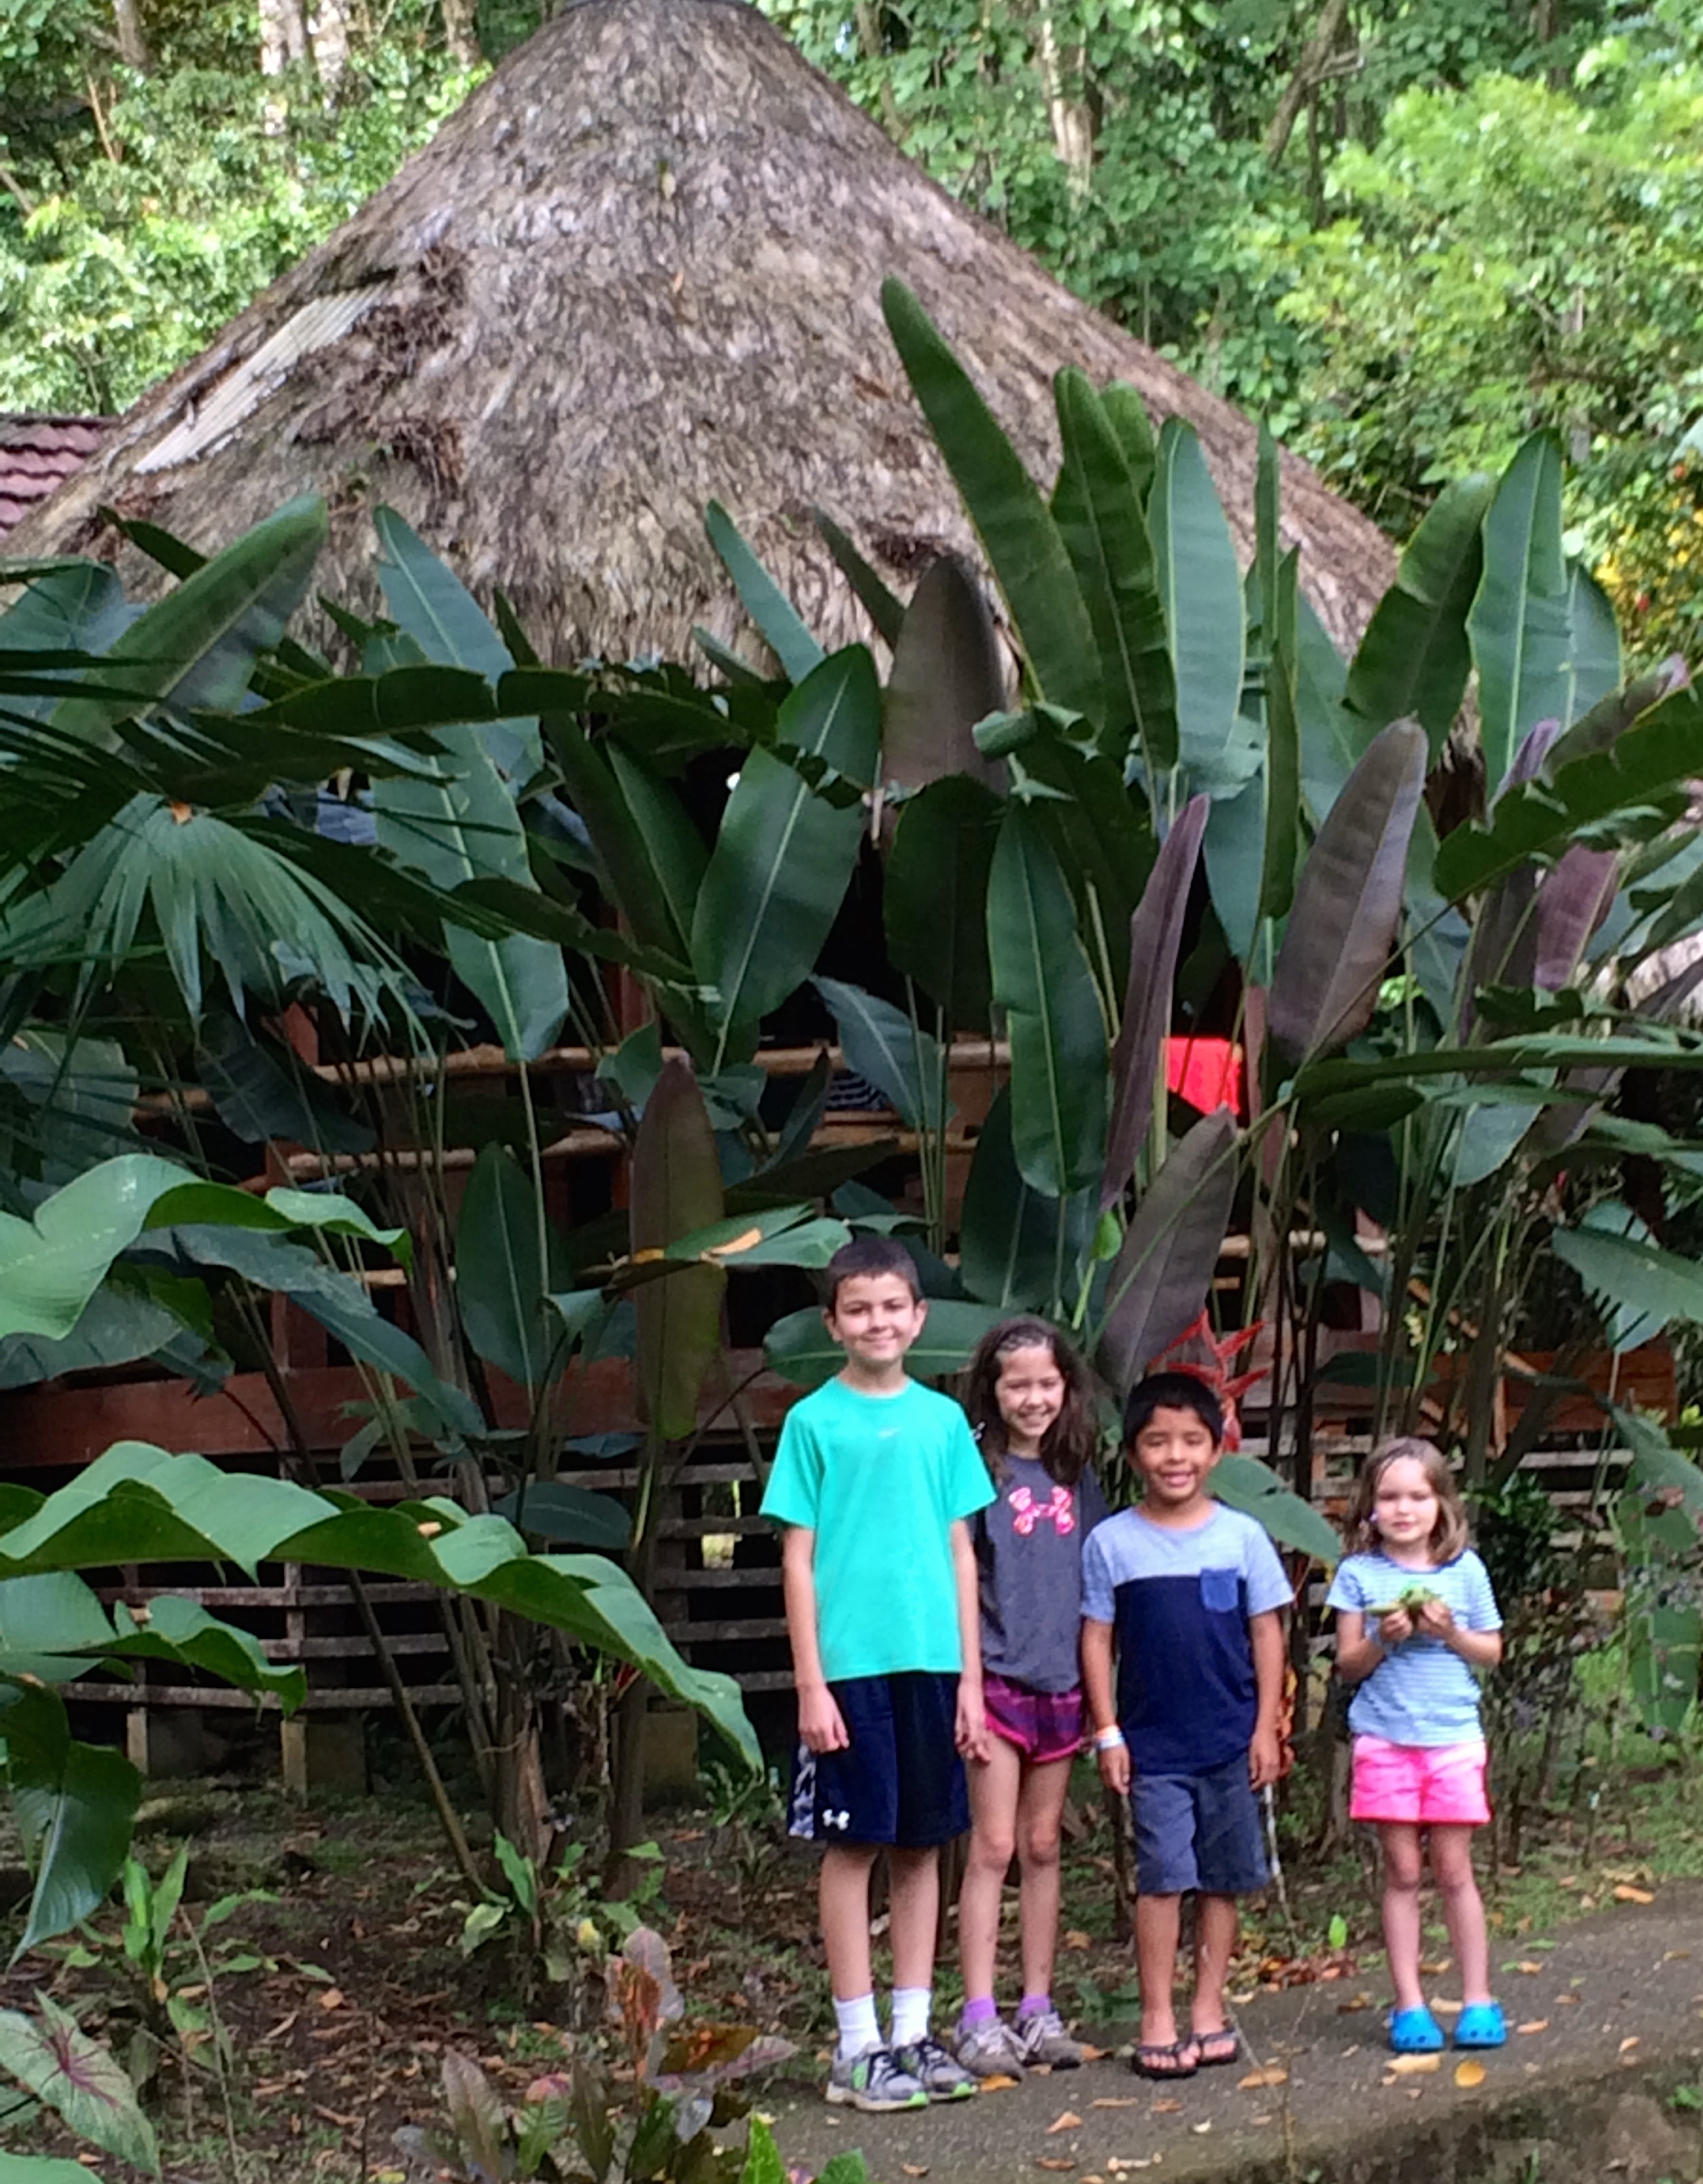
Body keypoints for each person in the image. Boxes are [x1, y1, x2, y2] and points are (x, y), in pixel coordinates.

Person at [760, 1237, 994, 2113]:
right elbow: (796, 1558)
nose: (877, 1322)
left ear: (918, 1317)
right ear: (832, 1324)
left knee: (922, 1841)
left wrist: (971, 1679)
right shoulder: (811, 1422)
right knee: (853, 1842)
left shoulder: (940, 1423)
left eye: (892, 1307)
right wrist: (809, 1682)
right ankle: (854, 2045)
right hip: (850, 1668)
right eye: (857, 1309)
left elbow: (960, 1551)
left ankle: (912, 2031)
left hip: (932, 1661)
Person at [1081, 1370, 1290, 2080]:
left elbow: (1267, 1633)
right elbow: (1095, 1640)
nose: (1175, 1456)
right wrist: (1107, 1730)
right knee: (1163, 1877)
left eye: (1191, 1441)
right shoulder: (1111, 1542)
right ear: (1134, 1452)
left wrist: (1266, 1728)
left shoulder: (1243, 1537)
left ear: (1216, 1448)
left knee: (1223, 1879)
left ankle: (1207, 2006)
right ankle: (1156, 2016)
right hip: (1151, 1747)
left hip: (1229, 1741)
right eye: (1157, 1442)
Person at [953, 1318, 1108, 2079]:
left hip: (1064, 1685)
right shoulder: (974, 1472)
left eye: (1047, 1383)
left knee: (1044, 1845)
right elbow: (959, 1584)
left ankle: (1037, 2006)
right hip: (997, 1679)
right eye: (1017, 1384)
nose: (1033, 1397)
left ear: (1067, 1388)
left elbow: (1099, 1587)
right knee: (993, 1846)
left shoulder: (1079, 1473)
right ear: (991, 1390)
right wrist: (969, 1689)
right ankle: (978, 2015)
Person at [1327, 1437, 1506, 2055]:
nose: (1403, 1509)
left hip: (1452, 1738)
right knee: (1402, 1870)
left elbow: (1491, 1651)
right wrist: (1384, 1636)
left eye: (1417, 1496)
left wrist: (1448, 1630)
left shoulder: (1464, 1571)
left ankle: (1477, 1995)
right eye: (1389, 1497)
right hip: (1383, 1739)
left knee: (1454, 1869)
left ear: (1440, 1503)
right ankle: (1408, 2002)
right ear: (1369, 1507)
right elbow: (1347, 1665)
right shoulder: (1357, 1574)